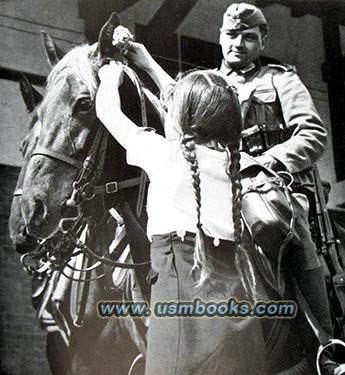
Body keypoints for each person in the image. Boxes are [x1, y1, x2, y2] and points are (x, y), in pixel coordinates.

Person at [124, 4, 344, 374]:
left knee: (278, 225)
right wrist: (145, 61)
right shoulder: (209, 81)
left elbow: (313, 134)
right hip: (216, 180)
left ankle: (327, 342)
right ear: (220, 37)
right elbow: (179, 102)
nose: (238, 43)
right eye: (231, 35)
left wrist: (266, 162)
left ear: (263, 40)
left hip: (269, 183)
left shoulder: (281, 80)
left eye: (249, 37)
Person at [96, 63, 269, 374]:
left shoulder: (165, 155)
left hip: (183, 313)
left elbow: (107, 112)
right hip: (239, 317)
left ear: (180, 120)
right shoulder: (238, 166)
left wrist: (110, 75)